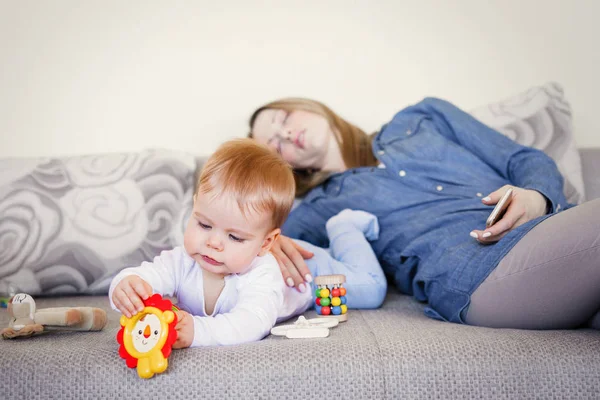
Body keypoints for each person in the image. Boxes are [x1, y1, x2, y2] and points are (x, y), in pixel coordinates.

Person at [249, 97, 600, 330]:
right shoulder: (318, 210)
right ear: (285, 165)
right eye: (275, 144)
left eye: (283, 118)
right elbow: (264, 253)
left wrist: (537, 197)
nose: (286, 133)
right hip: (479, 275)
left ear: (307, 106)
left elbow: (523, 159)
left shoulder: (422, 118)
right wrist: (267, 245)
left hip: (557, 232)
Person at [109, 139, 387, 348]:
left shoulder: (260, 272)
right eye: (204, 224)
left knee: (372, 288)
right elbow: (147, 275)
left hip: (306, 270)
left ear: (266, 243)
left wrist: (197, 331)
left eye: (235, 237)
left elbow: (251, 324)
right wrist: (126, 284)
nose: (213, 243)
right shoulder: (181, 261)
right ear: (194, 209)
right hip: (284, 254)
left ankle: (343, 227)